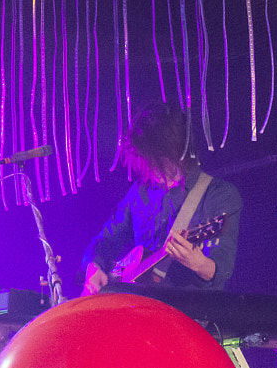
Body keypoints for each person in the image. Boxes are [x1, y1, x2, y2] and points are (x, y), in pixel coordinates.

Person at [81, 104, 242, 294]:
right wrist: (94, 266)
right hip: (136, 307)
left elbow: (220, 269)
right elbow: (107, 239)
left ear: (175, 151)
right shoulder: (140, 191)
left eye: (154, 158)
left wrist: (198, 264)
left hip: (185, 310)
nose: (148, 166)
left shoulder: (219, 195)